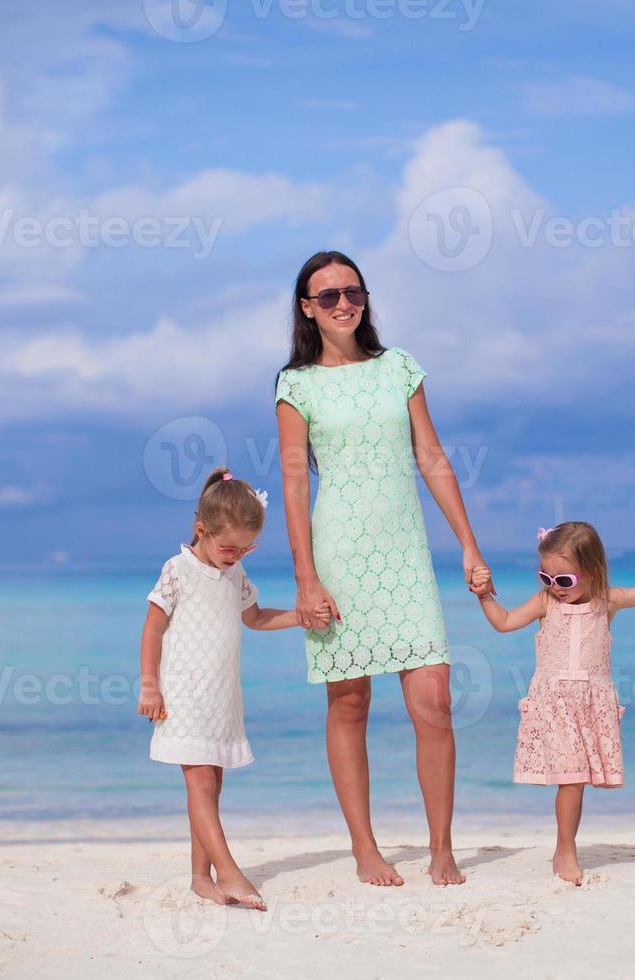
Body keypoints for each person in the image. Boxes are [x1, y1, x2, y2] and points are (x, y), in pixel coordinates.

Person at [274, 250, 490, 887]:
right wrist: (305, 578)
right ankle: (365, 849)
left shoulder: (400, 368)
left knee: (436, 702)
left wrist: (469, 546)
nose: (345, 303)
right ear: (307, 308)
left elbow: (433, 457)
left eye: (354, 291)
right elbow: (292, 485)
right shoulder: (296, 385)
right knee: (349, 703)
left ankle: (441, 848)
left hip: (406, 556)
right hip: (337, 555)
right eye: (330, 295)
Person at [469, 523, 635, 885]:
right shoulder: (545, 603)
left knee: (576, 780)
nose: (553, 587)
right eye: (545, 577)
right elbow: (504, 622)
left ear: (591, 572)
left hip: (590, 703)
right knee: (572, 779)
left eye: (563, 581)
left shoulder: (606, 602)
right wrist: (484, 596)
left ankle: (564, 847)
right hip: (554, 704)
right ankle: (565, 849)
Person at [138, 467, 311, 910]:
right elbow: (152, 630)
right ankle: (230, 872)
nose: (236, 555)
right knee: (199, 785)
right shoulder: (177, 570)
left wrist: (302, 615)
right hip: (182, 696)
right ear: (202, 530)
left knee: (211, 786)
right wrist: (150, 687)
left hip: (221, 698)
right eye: (229, 547)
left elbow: (254, 618)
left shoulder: (234, 573)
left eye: (246, 548)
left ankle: (201, 876)